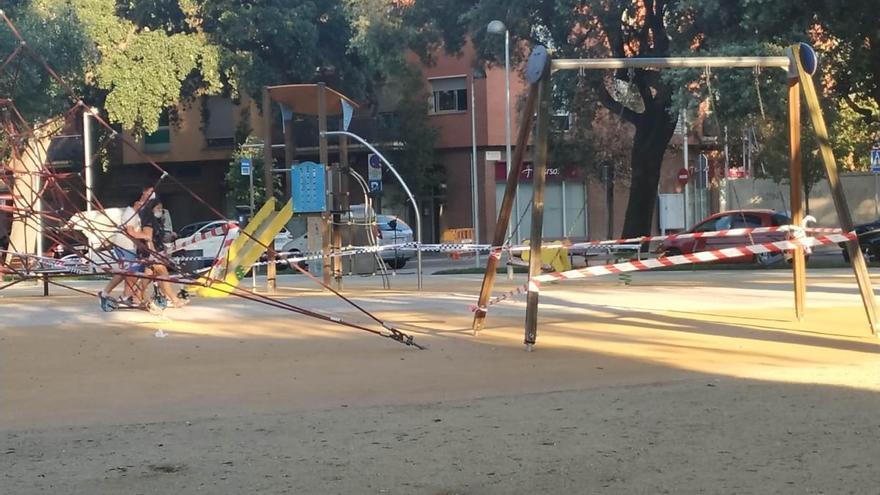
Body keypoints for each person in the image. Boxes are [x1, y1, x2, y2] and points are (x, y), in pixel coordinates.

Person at [97, 192, 154, 310]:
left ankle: (124, 296)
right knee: (128, 271)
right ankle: (108, 293)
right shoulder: (130, 213)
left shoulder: (135, 213)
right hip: (124, 246)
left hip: (130, 246)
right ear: (136, 203)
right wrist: (145, 236)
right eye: (141, 201)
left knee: (129, 272)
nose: (143, 204)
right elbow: (130, 232)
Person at [140, 197, 188, 308]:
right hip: (152, 253)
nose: (160, 211)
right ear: (151, 209)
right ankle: (173, 299)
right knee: (163, 274)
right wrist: (153, 254)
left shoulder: (156, 221)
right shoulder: (148, 223)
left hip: (157, 252)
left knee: (148, 276)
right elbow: (148, 239)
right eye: (158, 208)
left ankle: (139, 296)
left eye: (161, 208)